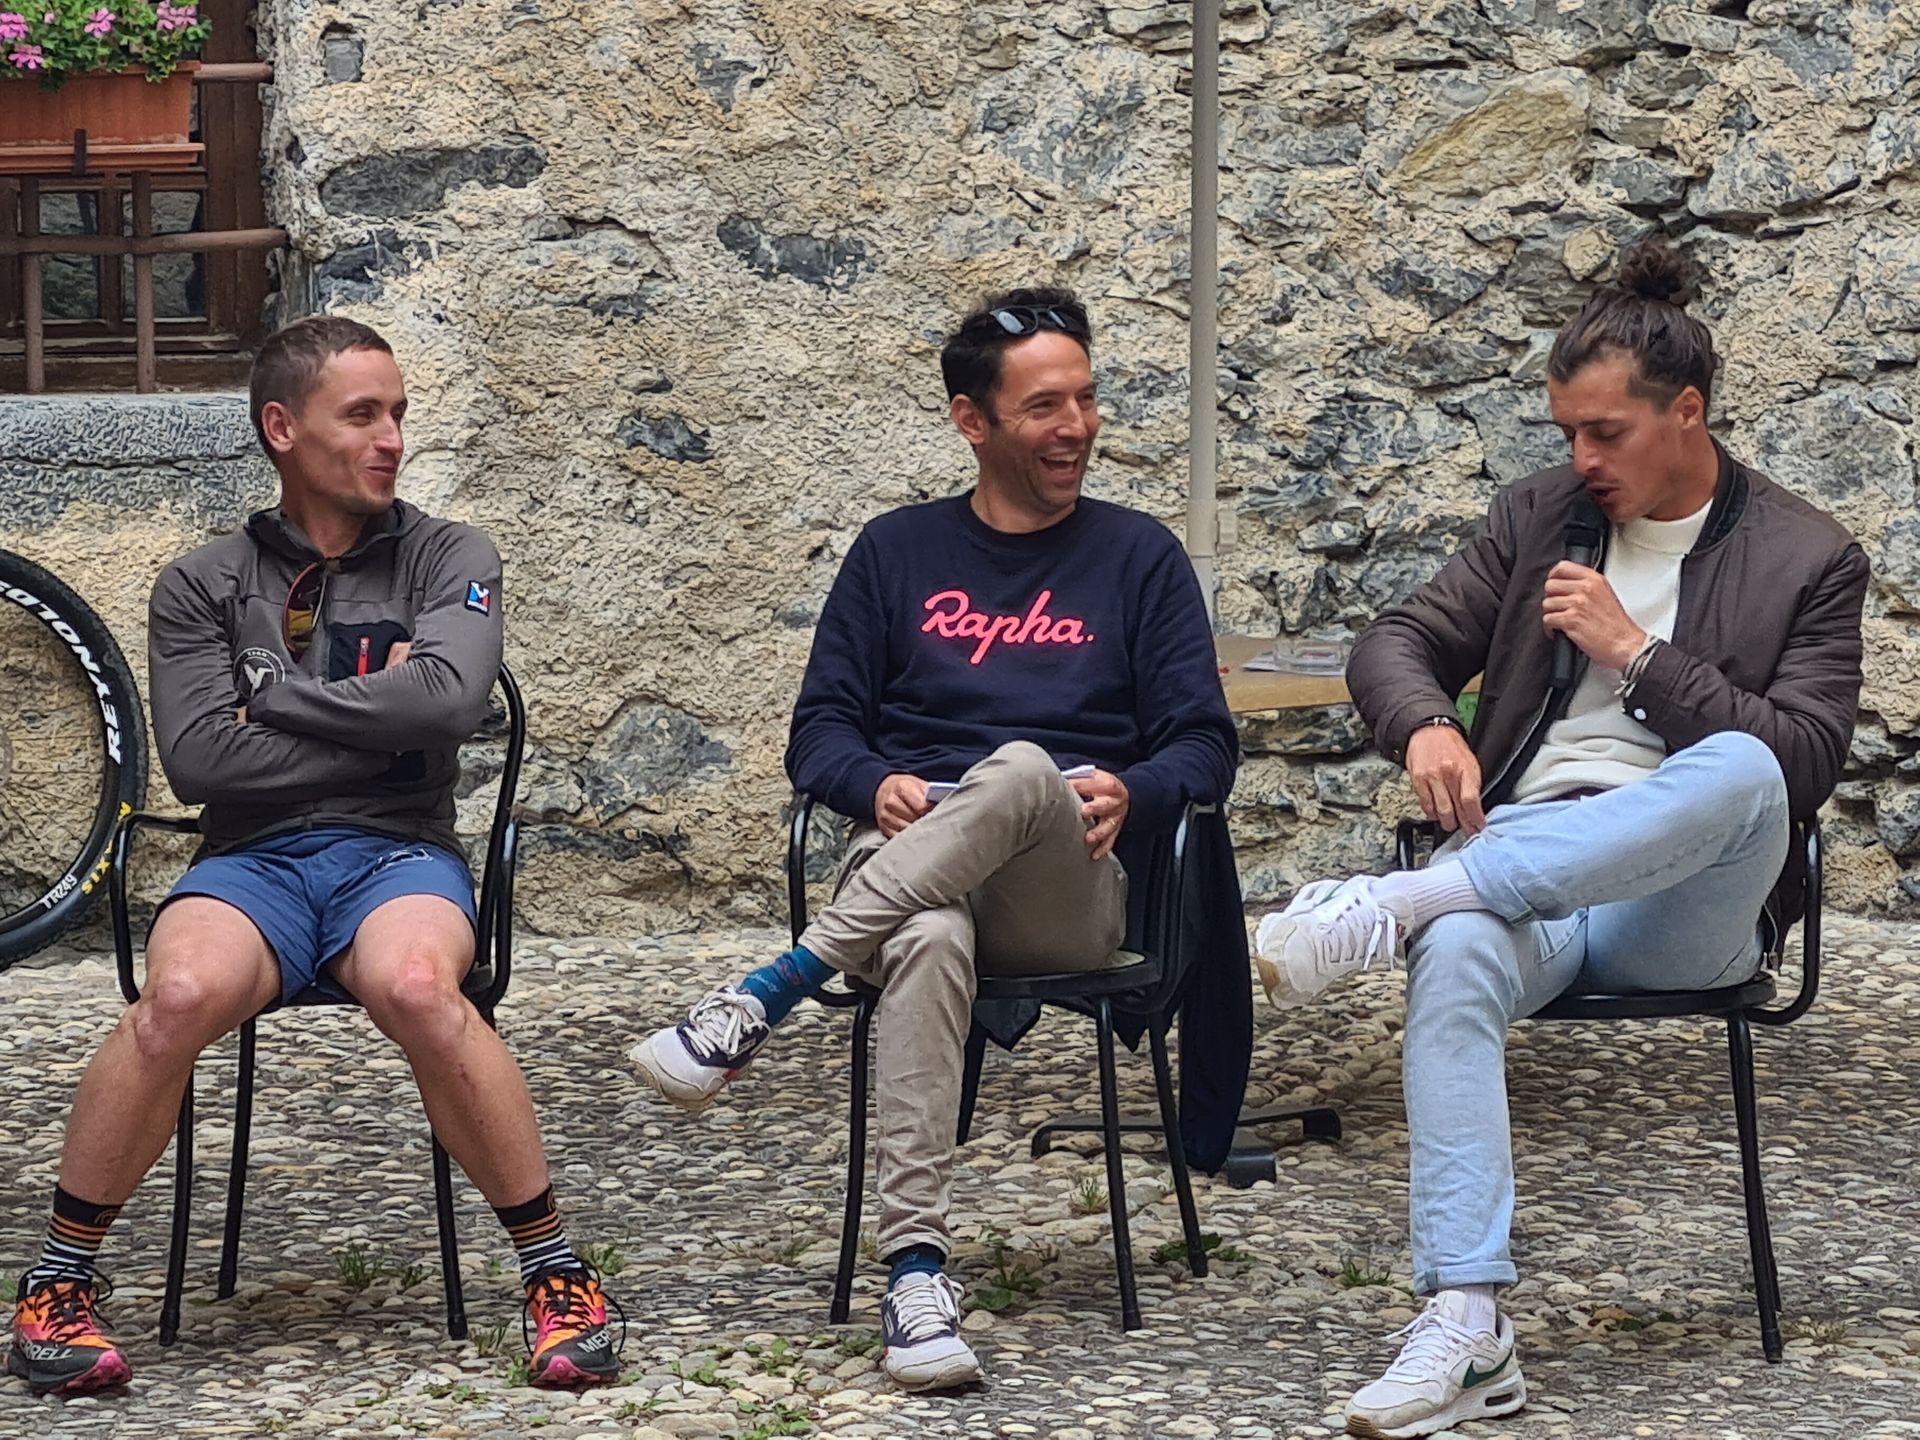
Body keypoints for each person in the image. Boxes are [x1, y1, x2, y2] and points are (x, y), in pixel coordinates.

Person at [1254, 241, 1868, 1439]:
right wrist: (1429, 725)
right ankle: (1467, 1326)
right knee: (1460, 955)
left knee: (1741, 765)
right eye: (1568, 432)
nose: (1581, 459)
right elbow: (1394, 642)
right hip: (1532, 864)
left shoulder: (1808, 557)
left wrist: (1635, 655)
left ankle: (1401, 904)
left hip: (1685, 901)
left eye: (1606, 433)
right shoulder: (1542, 517)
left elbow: (1802, 763)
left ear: (1686, 413)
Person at [632, 287, 1237, 1392]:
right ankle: (916, 1279)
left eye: (1086, 399)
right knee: (927, 936)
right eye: (1045, 406)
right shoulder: (895, 553)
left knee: (1021, 770)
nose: (1077, 426)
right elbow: (819, 735)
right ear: (972, 420)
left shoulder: (1140, 557)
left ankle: (772, 989)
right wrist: (879, 783)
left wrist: (1135, 789)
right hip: (917, 876)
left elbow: (1207, 745)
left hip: (1064, 880)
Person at [6, 317, 621, 1397]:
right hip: (251, 861)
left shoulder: (450, 555)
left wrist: (278, 698)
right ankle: (59, 1282)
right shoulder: (201, 583)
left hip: (400, 855)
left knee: (419, 986)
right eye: (362, 415)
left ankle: (556, 1275)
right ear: (282, 429)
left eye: (398, 414)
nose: (392, 439)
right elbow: (202, 761)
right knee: (176, 995)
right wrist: (380, 726)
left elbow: (450, 704)